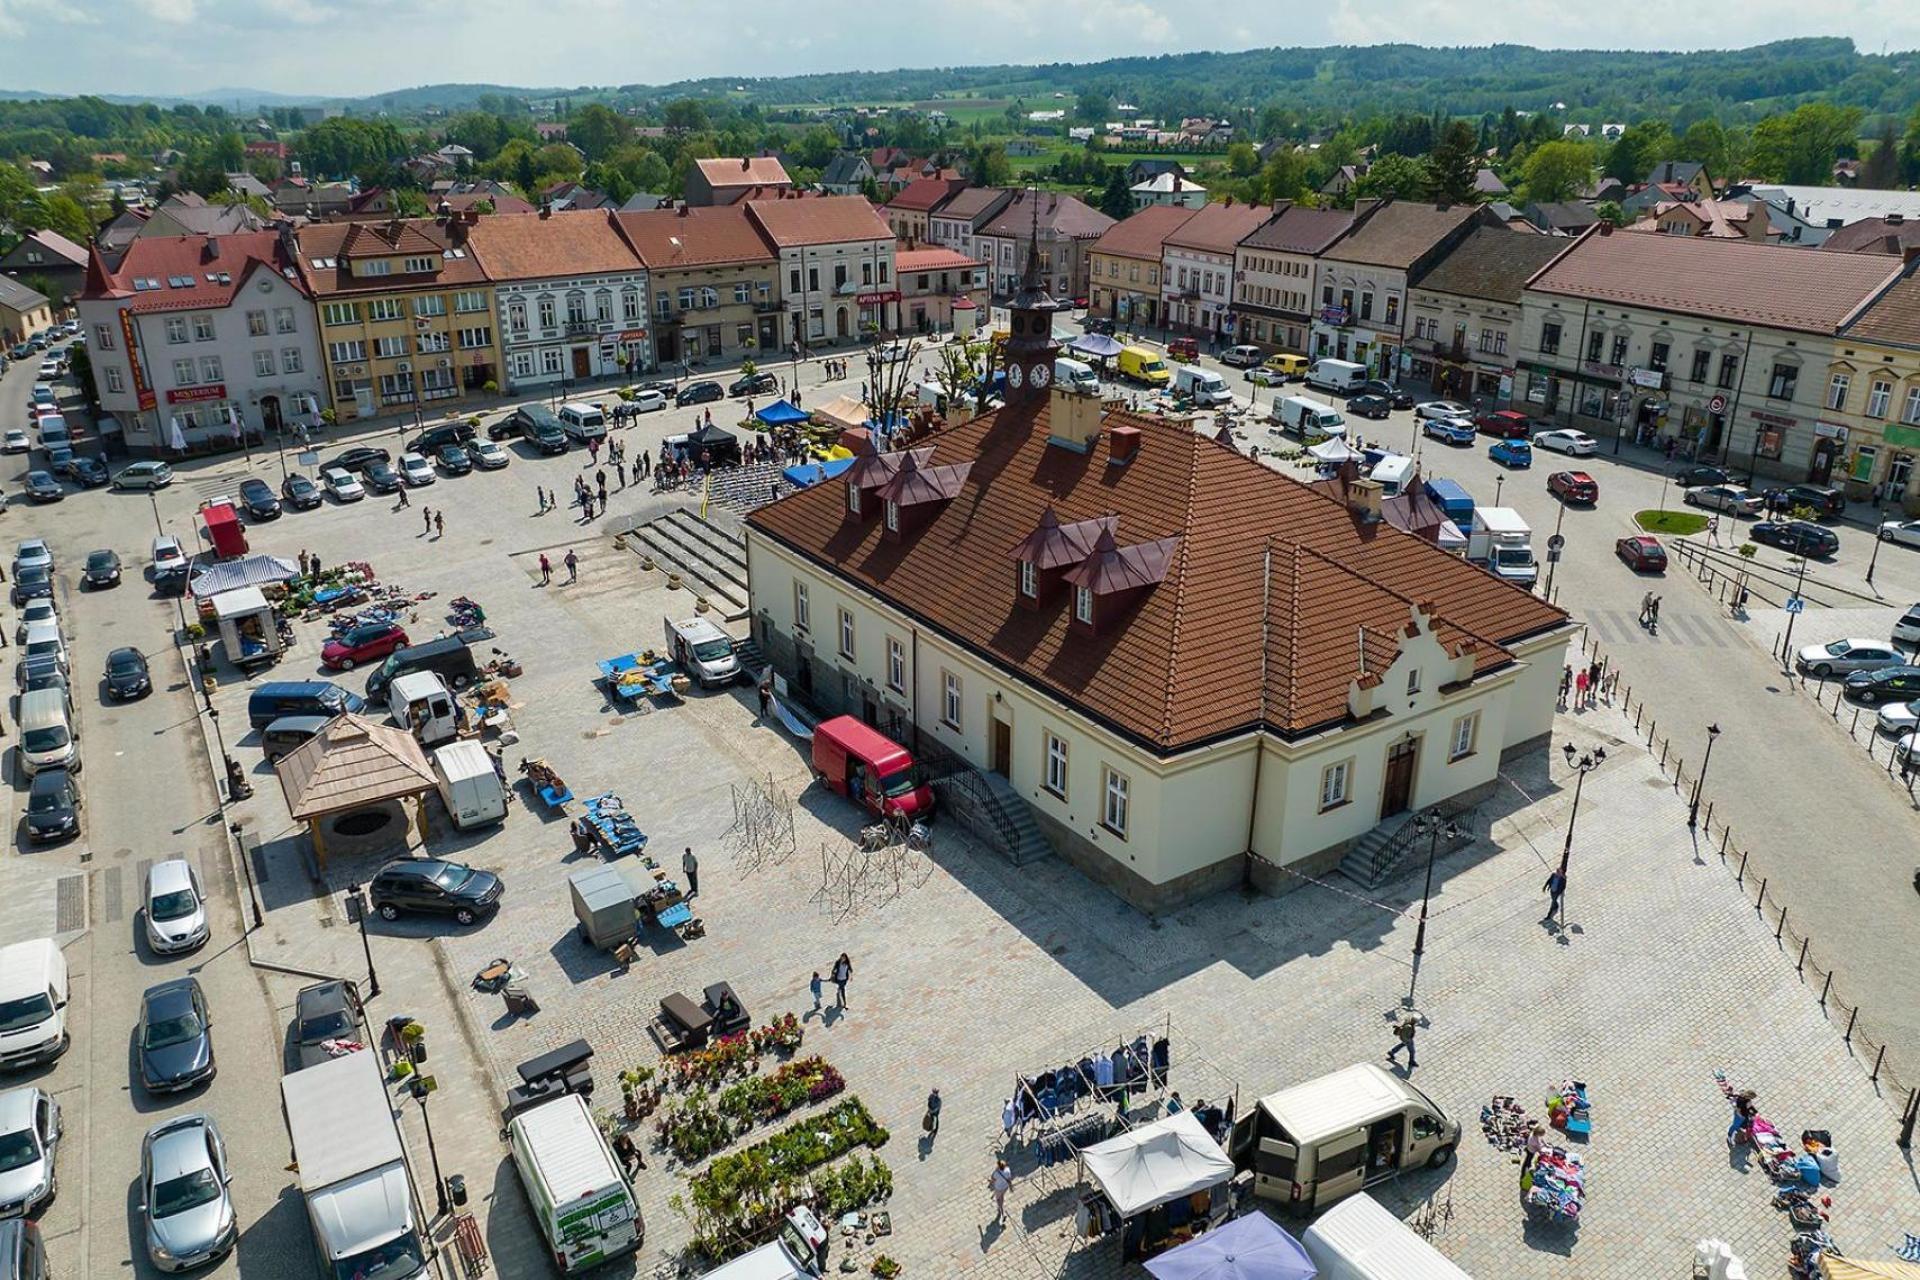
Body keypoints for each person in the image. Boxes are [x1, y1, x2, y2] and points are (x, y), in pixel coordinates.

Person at [989, 1159, 1014, 1224]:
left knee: (998, 1199)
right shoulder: (1008, 1170)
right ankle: (1001, 1205)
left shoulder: (996, 1173)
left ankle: (1002, 1212)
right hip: (1005, 1187)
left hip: (998, 1188)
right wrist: (1011, 1188)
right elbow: (1009, 1179)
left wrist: (991, 1181)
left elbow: (993, 1179)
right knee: (1002, 1196)